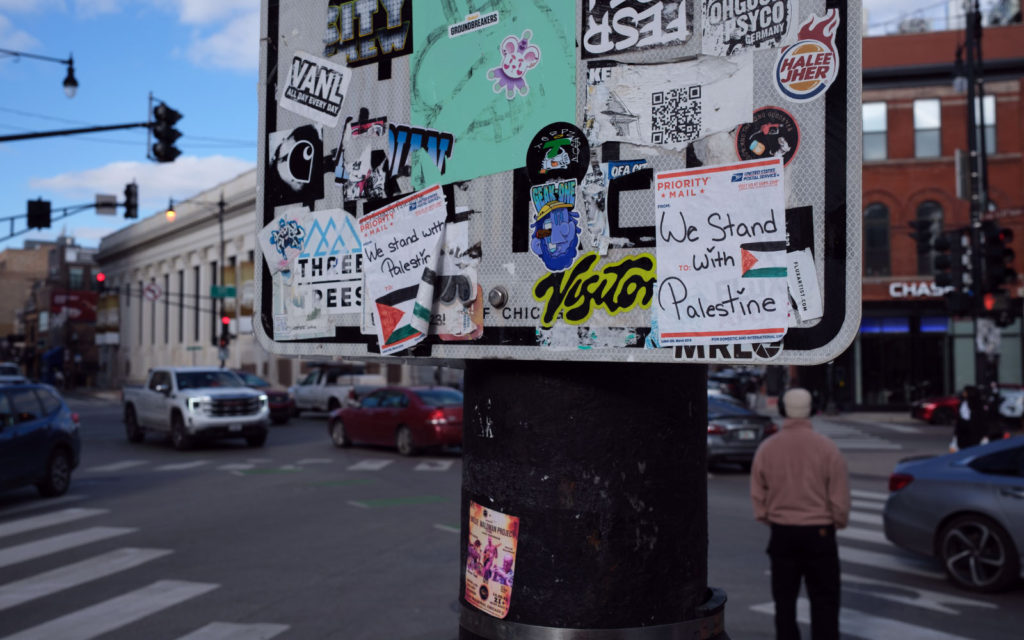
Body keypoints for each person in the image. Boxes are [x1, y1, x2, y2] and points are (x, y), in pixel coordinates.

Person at [750, 387, 850, 640]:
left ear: (783, 411)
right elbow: (839, 496)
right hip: (819, 532)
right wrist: (837, 520)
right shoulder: (827, 448)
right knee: (825, 601)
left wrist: (766, 515)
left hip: (782, 533)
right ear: (813, 410)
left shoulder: (767, 448)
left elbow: (757, 491)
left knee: (784, 603)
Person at [954, 386, 984, 450]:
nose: (963, 393)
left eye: (965, 392)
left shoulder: (976, 404)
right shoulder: (963, 402)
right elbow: (960, 417)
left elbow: (980, 419)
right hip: (963, 429)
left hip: (972, 430)